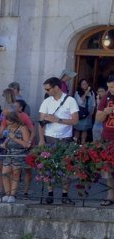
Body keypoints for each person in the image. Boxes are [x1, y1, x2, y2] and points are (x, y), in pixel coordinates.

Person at [38, 76, 79, 204]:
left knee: (66, 167)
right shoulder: (46, 101)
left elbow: (75, 120)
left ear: (56, 87)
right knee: (48, 166)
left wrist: (57, 120)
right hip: (49, 138)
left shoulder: (70, 100)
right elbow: (41, 123)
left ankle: (64, 195)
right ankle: (50, 194)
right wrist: (41, 140)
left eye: (48, 89)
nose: (46, 91)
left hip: (65, 138)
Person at [0, 110, 32, 203]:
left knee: (15, 174)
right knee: (5, 173)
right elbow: (7, 137)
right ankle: (7, 194)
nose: (8, 124)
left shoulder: (23, 128)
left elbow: (26, 144)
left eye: (9, 122)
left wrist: (15, 139)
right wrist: (2, 143)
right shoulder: (10, 128)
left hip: (18, 154)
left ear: (14, 121)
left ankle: (12, 195)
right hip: (9, 153)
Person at [94, 76, 114, 206]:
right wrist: (106, 113)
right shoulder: (106, 98)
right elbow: (98, 118)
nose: (110, 89)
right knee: (109, 168)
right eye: (109, 87)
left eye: (113, 87)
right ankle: (110, 195)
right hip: (108, 138)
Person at [74, 77, 96, 144]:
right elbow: (80, 102)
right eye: (83, 84)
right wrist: (86, 92)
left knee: (85, 129)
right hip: (80, 113)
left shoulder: (91, 92)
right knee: (77, 129)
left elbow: (93, 103)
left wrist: (92, 112)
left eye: (86, 83)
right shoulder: (77, 92)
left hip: (88, 113)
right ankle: (75, 143)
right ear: (80, 85)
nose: (85, 85)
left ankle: (83, 144)